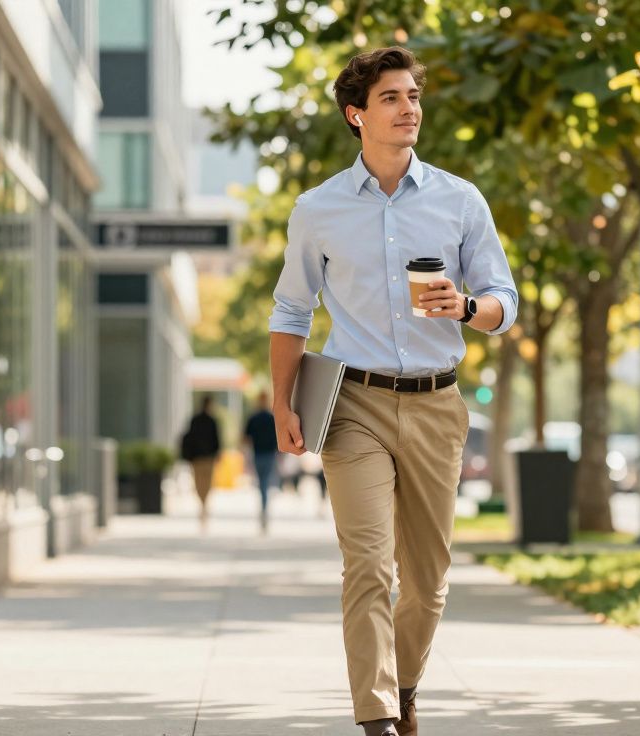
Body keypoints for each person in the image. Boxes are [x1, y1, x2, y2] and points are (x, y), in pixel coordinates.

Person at [267, 47, 518, 736]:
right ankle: (377, 718)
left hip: (439, 403)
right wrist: (281, 404)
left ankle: (404, 686)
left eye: (413, 96)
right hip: (355, 405)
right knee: (369, 565)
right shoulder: (317, 211)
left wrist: (467, 308)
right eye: (391, 98)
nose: (409, 108)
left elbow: (505, 300)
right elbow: (291, 311)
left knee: (429, 578)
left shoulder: (459, 199)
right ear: (357, 115)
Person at [179, 396, 221, 531]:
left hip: (197, 459)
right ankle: (204, 505)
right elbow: (216, 441)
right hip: (207, 458)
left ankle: (202, 505)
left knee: (199, 484)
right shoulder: (211, 421)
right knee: (206, 484)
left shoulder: (195, 420)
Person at [243, 391, 279, 534]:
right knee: (265, 482)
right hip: (269, 455)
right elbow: (277, 437)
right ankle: (264, 509)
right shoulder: (271, 418)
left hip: (258, 454)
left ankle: (263, 508)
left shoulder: (254, 418)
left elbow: (246, 438)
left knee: (262, 482)